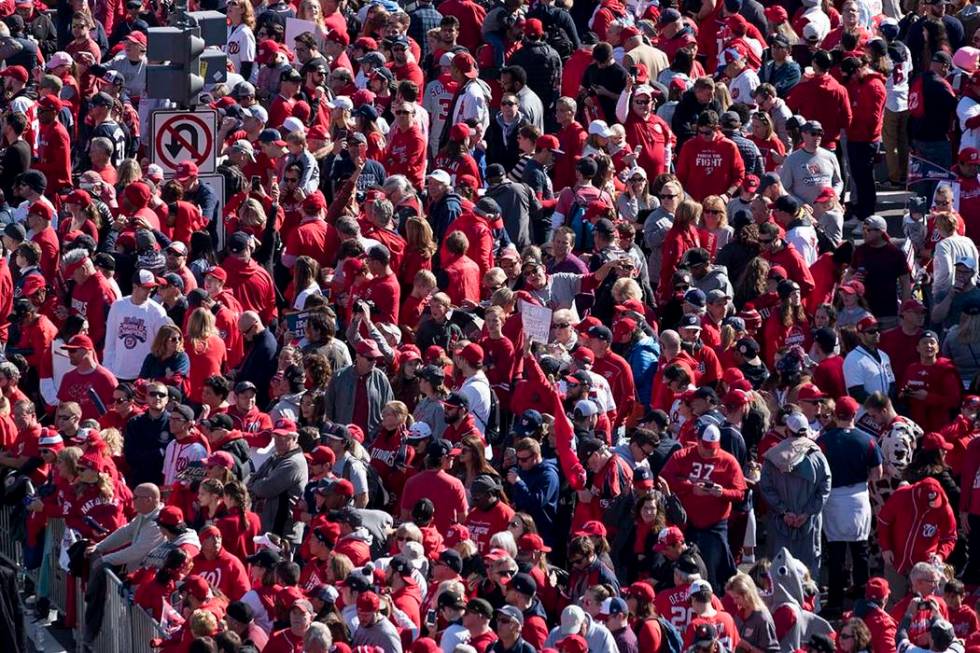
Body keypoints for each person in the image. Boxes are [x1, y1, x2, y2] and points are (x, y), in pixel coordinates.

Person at [816, 397, 883, 614]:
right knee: (860, 550)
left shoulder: (824, 440)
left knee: (835, 552)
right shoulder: (867, 439)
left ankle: (835, 602)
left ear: (836, 415)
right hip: (858, 497)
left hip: (834, 498)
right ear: (854, 414)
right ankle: (864, 600)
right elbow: (877, 473)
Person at [758, 411, 831, 576]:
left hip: (780, 523)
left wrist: (784, 512)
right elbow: (825, 488)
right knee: (809, 572)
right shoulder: (818, 456)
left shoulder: (773, 456)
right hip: (808, 523)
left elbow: (766, 487)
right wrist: (806, 513)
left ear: (787, 431)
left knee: (779, 569)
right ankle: (811, 602)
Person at [246, 419, 309, 544]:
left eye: (283, 437)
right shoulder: (276, 457)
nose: (277, 441)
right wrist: (257, 484)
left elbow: (266, 489)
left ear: (294, 438)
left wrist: (257, 484)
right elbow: (251, 480)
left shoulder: (294, 462)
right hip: (269, 528)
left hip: (283, 533)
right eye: (276, 436)